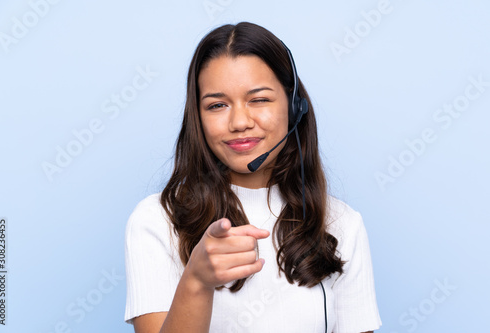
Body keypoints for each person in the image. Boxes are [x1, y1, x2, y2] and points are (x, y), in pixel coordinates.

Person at [124, 22, 382, 333]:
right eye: (217, 105)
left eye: (259, 99)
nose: (239, 122)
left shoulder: (342, 223)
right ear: (198, 117)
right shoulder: (156, 221)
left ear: (294, 106)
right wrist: (196, 280)